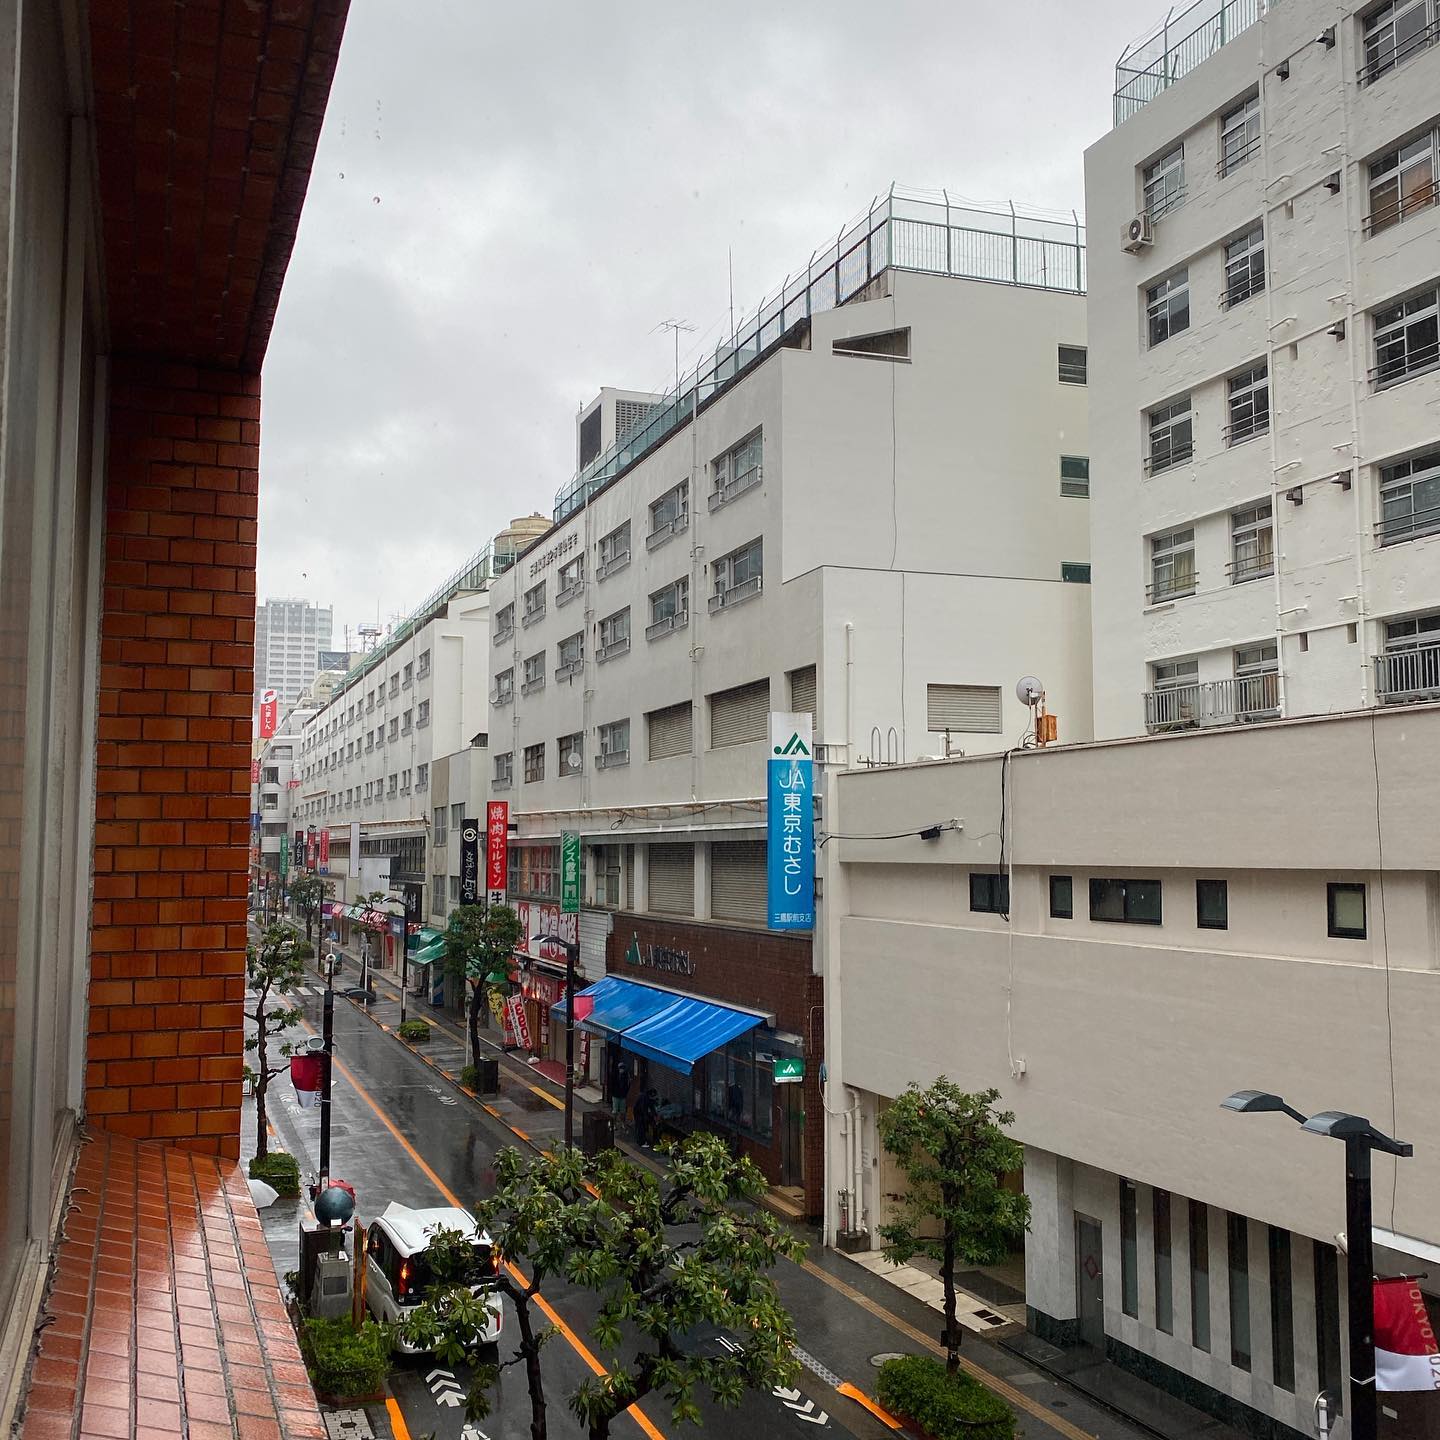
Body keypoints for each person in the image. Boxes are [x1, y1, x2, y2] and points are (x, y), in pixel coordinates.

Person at [612, 1057, 630, 1121]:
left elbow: (628, 1085)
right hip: (616, 1095)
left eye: (623, 1068)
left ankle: (623, 1123)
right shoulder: (615, 1075)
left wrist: (626, 1092)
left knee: (623, 1111)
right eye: (621, 1068)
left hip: (623, 1095)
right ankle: (613, 1124)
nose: (622, 1069)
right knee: (615, 1111)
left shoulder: (626, 1076)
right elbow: (612, 1084)